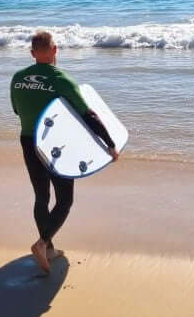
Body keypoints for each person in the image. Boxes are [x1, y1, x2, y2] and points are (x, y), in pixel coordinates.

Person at [10, 30, 118, 273]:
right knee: (65, 200)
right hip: (56, 146)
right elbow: (88, 114)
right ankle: (42, 243)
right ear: (55, 50)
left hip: (29, 141)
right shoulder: (61, 79)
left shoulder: (17, 78)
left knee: (41, 196)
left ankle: (48, 249)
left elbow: (17, 110)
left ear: (32, 53)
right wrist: (110, 144)